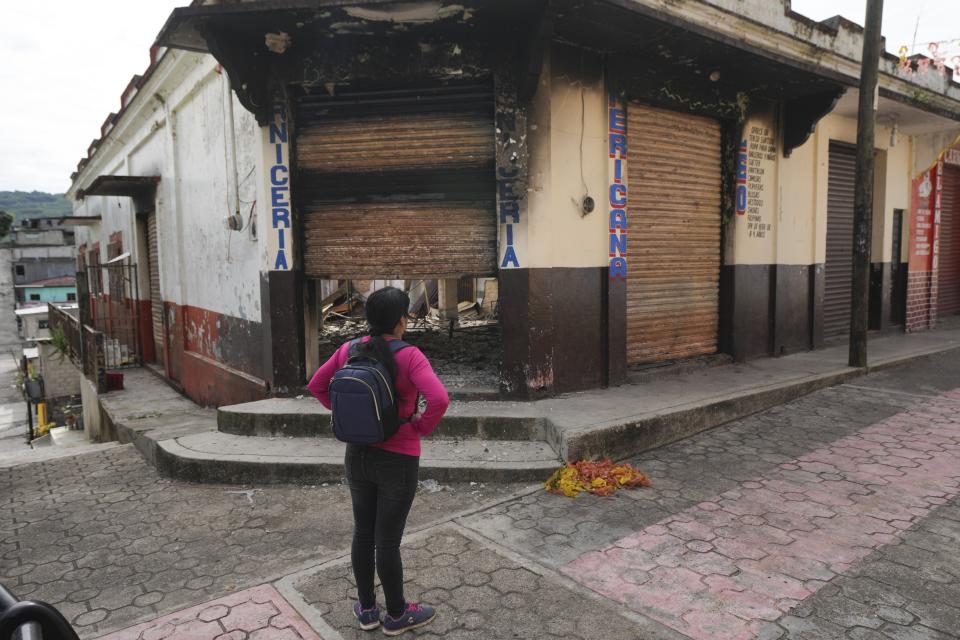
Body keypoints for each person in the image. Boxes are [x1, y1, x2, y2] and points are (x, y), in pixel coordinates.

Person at [307, 286, 450, 636]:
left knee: (363, 533)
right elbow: (439, 400)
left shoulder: (348, 349)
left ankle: (368, 610)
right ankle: (398, 615)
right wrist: (420, 426)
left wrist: (353, 417)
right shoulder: (411, 355)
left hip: (357, 453)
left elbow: (316, 385)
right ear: (401, 320)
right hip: (398, 457)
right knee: (387, 540)